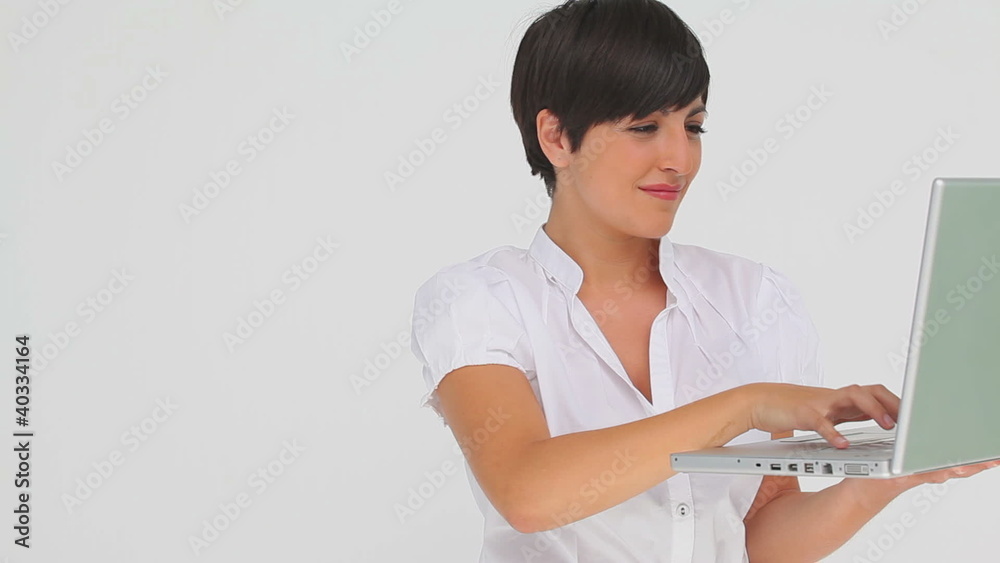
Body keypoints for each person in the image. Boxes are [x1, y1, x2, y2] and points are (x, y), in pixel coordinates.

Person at [409, 1, 1000, 561]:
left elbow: (759, 541)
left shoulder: (754, 300)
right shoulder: (480, 299)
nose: (680, 159)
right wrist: (746, 406)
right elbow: (527, 491)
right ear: (557, 137)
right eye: (644, 126)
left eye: (692, 126)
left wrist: (900, 470)